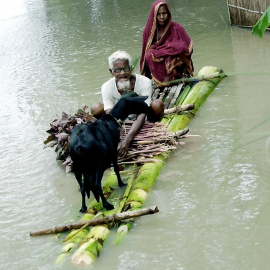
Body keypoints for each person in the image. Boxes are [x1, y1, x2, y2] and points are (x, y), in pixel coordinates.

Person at [91, 50, 164, 157]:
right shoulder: (106, 87)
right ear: (111, 72)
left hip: (143, 119)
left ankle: (153, 127)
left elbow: (142, 113)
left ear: (130, 68)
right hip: (120, 121)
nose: (122, 73)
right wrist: (117, 139)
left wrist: (127, 140)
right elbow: (110, 115)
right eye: (118, 70)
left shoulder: (144, 82)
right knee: (95, 108)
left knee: (157, 105)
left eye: (126, 68)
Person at [140, 1, 194, 87]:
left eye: (164, 13)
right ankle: (161, 81)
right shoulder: (149, 32)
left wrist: (172, 50)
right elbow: (144, 52)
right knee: (149, 55)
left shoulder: (177, 28)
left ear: (169, 13)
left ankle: (180, 77)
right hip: (159, 66)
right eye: (158, 14)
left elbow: (188, 48)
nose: (162, 17)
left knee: (179, 51)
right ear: (154, 16)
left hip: (176, 69)